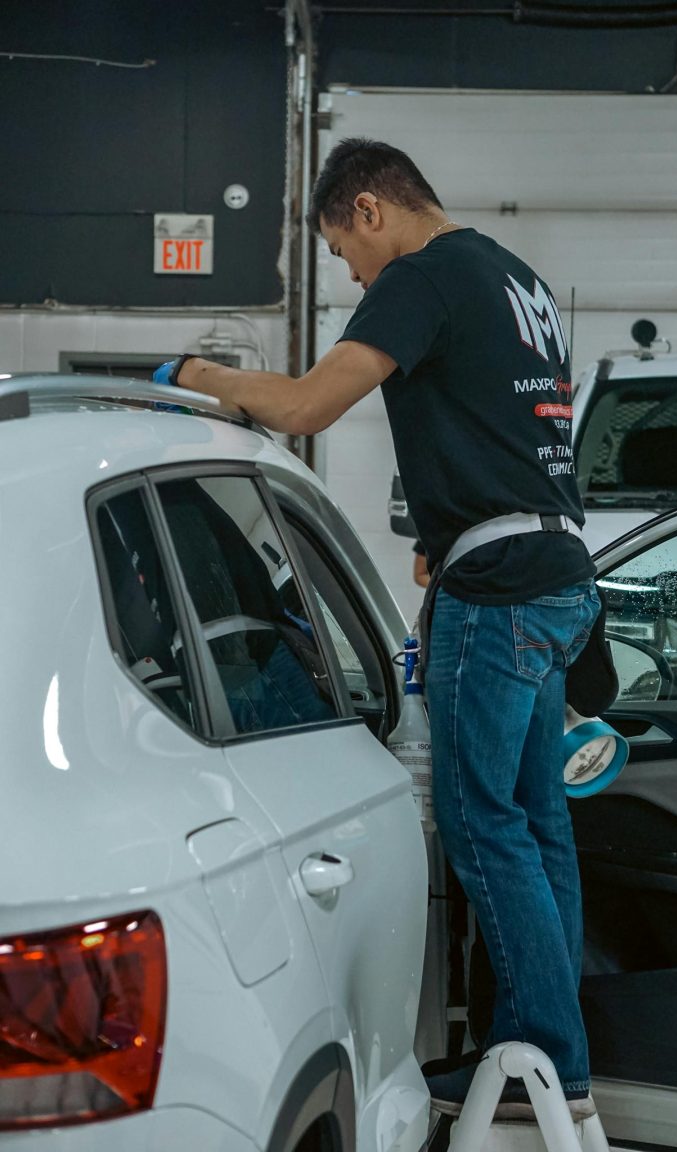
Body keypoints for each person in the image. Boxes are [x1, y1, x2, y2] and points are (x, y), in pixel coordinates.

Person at [155, 138, 600, 1120]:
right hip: (558, 575)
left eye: (340, 252)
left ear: (369, 209)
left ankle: (538, 1061)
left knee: (484, 826)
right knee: (538, 827)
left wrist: (194, 373)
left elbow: (308, 404)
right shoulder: (513, 277)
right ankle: (553, 1063)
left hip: (499, 592)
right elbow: (504, 428)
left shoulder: (421, 276)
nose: (353, 277)